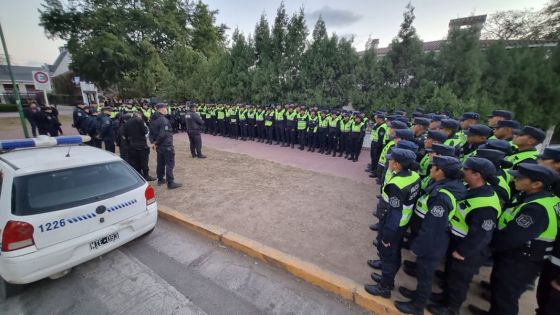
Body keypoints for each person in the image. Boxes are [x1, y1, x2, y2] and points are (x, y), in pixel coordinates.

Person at [469, 164, 559, 315]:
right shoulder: (545, 198)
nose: (515, 179)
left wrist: (488, 245)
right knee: (500, 292)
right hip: (520, 257)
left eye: (520, 177)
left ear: (537, 184)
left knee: (505, 297)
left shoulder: (536, 209)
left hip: (521, 260)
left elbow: (511, 237)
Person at [428, 157, 501, 315]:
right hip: (456, 241)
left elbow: (482, 235)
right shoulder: (471, 189)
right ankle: (444, 298)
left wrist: (463, 252)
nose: (462, 172)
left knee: (458, 280)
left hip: (469, 249)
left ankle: (451, 308)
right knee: (450, 274)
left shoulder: (486, 204)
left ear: (477, 175)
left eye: (465, 170)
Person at [396, 156, 466, 315]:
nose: (430, 169)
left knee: (425, 275)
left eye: (433, 167)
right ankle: (417, 296)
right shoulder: (444, 186)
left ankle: (417, 306)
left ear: (441, 171)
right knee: (423, 273)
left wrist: (419, 246)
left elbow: (433, 227)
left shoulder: (441, 197)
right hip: (434, 238)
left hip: (434, 241)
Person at [365, 148, 421, 298]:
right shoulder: (414, 175)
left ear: (396, 165)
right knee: (394, 254)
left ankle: (385, 287)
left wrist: (387, 237)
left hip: (394, 226)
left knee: (388, 254)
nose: (388, 161)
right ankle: (387, 278)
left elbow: (395, 213)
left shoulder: (396, 184)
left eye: (391, 160)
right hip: (403, 223)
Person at [535, 147, 560, 315]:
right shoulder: (554, 183)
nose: (539, 162)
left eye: (544, 160)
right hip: (551, 250)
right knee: (544, 295)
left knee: (553, 303)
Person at [149, 103, 182, 189]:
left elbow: (151, 133)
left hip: (159, 146)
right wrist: (155, 143)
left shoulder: (152, 119)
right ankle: (170, 182)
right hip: (166, 145)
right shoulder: (163, 120)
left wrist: (153, 142)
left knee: (160, 162)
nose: (167, 110)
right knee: (169, 164)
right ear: (162, 109)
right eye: (166, 108)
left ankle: (160, 179)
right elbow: (163, 134)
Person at [123, 112, 156, 181]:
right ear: (138, 116)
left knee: (135, 161)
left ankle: (139, 176)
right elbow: (145, 131)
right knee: (144, 160)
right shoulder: (139, 120)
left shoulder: (127, 122)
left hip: (132, 144)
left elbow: (125, 134)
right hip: (141, 144)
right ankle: (146, 175)